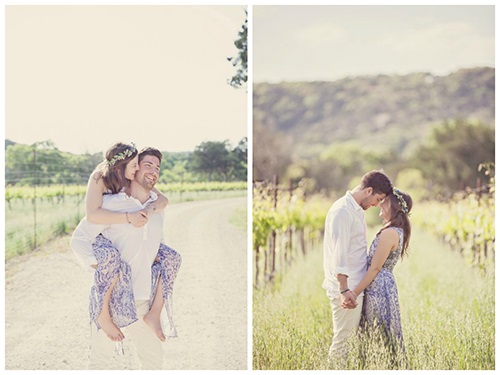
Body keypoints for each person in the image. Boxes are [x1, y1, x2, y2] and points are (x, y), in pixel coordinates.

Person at [72, 147, 172, 369]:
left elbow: (156, 246)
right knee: (100, 362)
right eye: (147, 165)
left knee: (154, 362)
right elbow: (79, 239)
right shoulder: (111, 204)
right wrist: (101, 267)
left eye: (157, 167)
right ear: (133, 170)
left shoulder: (156, 209)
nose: (153, 170)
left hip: (142, 300)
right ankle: (103, 318)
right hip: (112, 299)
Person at [322, 170, 393, 361]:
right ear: (368, 190)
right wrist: (344, 290)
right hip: (347, 288)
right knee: (342, 342)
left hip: (354, 286)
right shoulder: (343, 211)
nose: (376, 205)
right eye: (377, 199)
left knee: (349, 341)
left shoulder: (356, 209)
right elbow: (340, 255)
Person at [349, 187, 412, 367]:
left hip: (379, 288)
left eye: (385, 202)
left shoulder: (390, 233)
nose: (380, 205)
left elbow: (375, 268)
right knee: (381, 332)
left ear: (394, 206)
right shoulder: (393, 230)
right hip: (382, 285)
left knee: (378, 332)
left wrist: (354, 293)